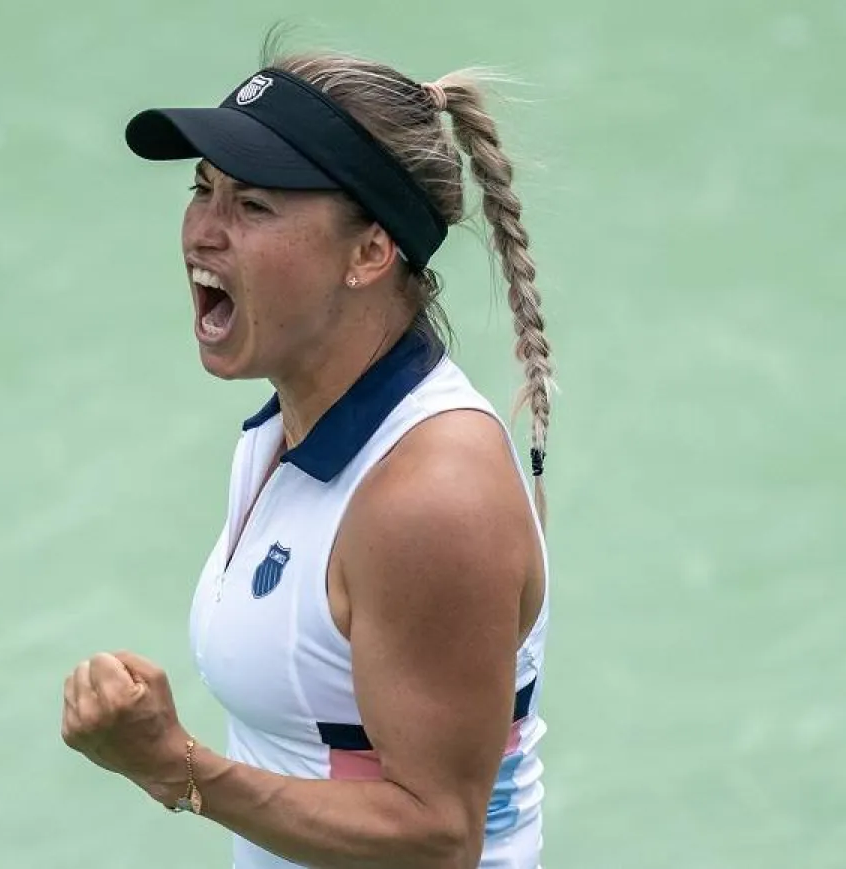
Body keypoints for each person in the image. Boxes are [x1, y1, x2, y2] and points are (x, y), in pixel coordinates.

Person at [59, 44, 555, 869]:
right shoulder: (284, 430)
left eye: (252, 205)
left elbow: (437, 836)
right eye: (202, 189)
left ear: (370, 252)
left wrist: (173, 766)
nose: (204, 231)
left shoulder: (429, 496)